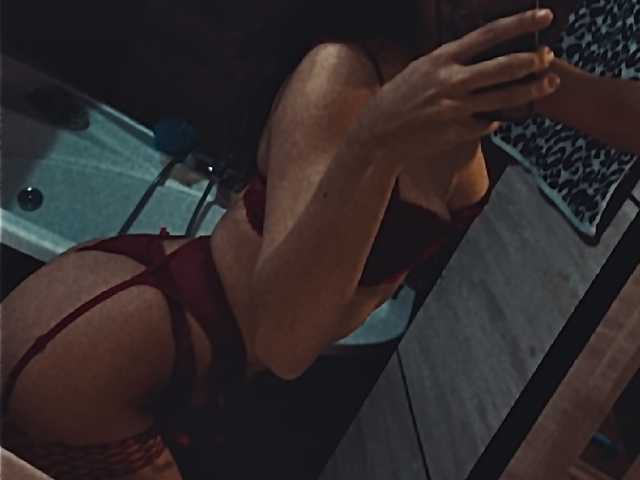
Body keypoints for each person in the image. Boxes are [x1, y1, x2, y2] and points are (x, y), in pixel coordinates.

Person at [3, 2, 623, 478]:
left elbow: (625, 117)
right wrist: (376, 141)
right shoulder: (343, 74)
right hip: (97, 355)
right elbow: (285, 344)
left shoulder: (484, 80)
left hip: (153, 340)